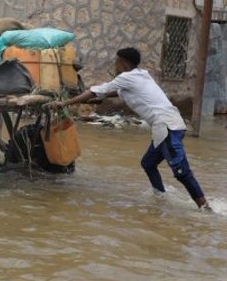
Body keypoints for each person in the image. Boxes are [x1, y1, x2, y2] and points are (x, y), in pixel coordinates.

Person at [46, 47, 210, 210]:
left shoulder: (127, 77)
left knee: (181, 171)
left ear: (123, 63)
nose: (115, 66)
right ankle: (160, 197)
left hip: (166, 127)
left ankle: (205, 208)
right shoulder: (141, 75)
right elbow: (114, 93)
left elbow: (98, 91)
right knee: (148, 163)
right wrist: (86, 98)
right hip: (169, 125)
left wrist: (64, 103)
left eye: (116, 62)